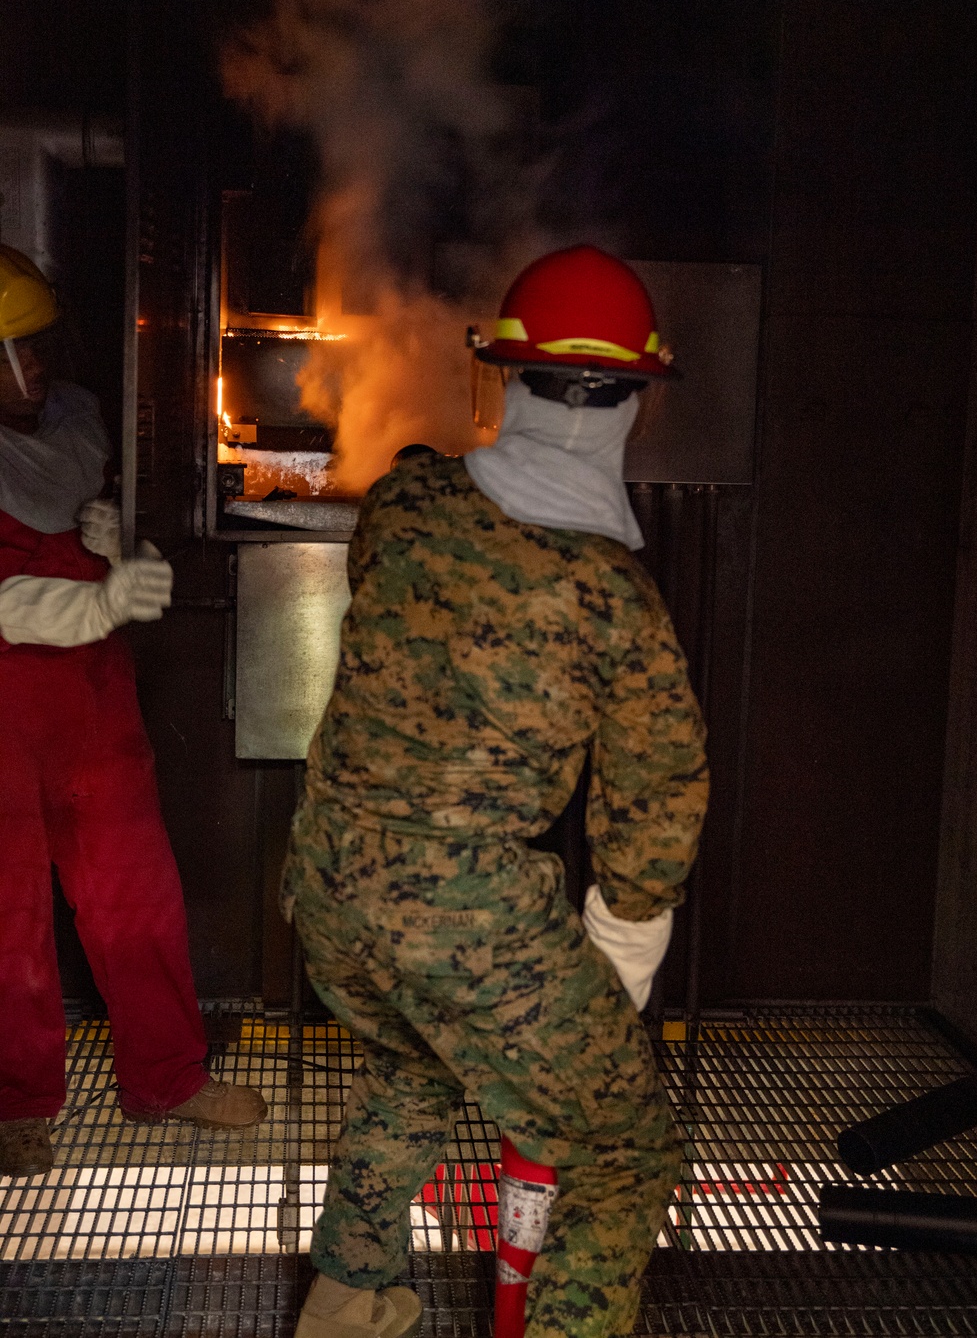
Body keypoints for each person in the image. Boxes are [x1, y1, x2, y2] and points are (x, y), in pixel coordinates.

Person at [283, 245, 708, 1338]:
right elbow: (656, 810)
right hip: (468, 926)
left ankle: (347, 1293)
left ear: (501, 380)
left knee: (411, 1064)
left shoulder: (406, 499)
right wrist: (619, 953)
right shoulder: (616, 598)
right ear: (633, 407)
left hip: (330, 886)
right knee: (625, 1146)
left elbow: (450, 499)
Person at [0, 245, 267, 1180]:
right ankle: (16, 1104)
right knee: (8, 915)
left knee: (137, 893)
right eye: (11, 353)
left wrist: (113, 545)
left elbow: (93, 509)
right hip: (4, 708)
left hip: (95, 700)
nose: (32, 370)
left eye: (37, 346)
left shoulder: (74, 421)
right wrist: (99, 604)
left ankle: (166, 1078)